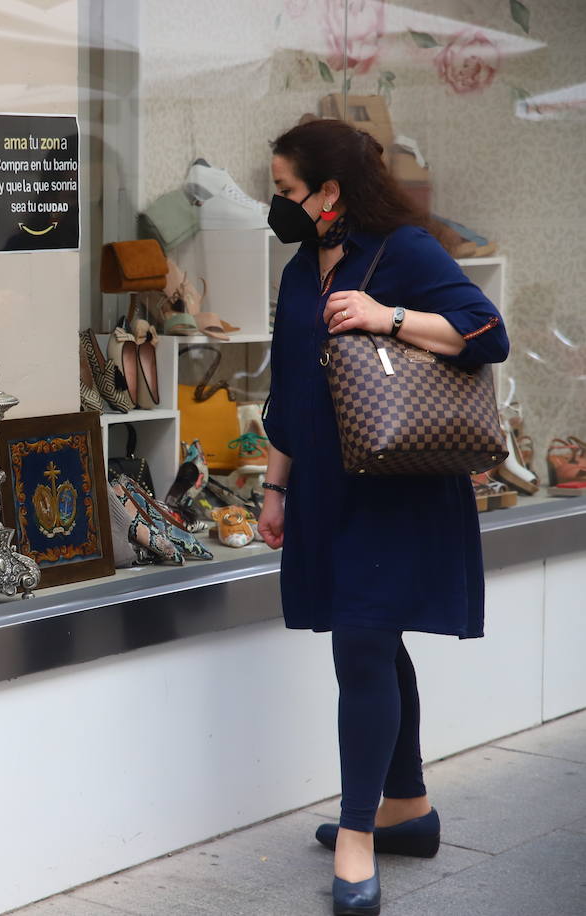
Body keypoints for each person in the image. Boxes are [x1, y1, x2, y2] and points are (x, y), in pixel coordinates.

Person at [257, 118, 509, 916]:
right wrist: (275, 488)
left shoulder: (402, 251)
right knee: (371, 635)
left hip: (397, 486)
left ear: (330, 191)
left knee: (361, 642)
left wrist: (386, 316)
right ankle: (407, 808)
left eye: (287, 190)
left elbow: (486, 332)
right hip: (328, 487)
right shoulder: (301, 271)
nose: (279, 204)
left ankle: (361, 833)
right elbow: (291, 395)